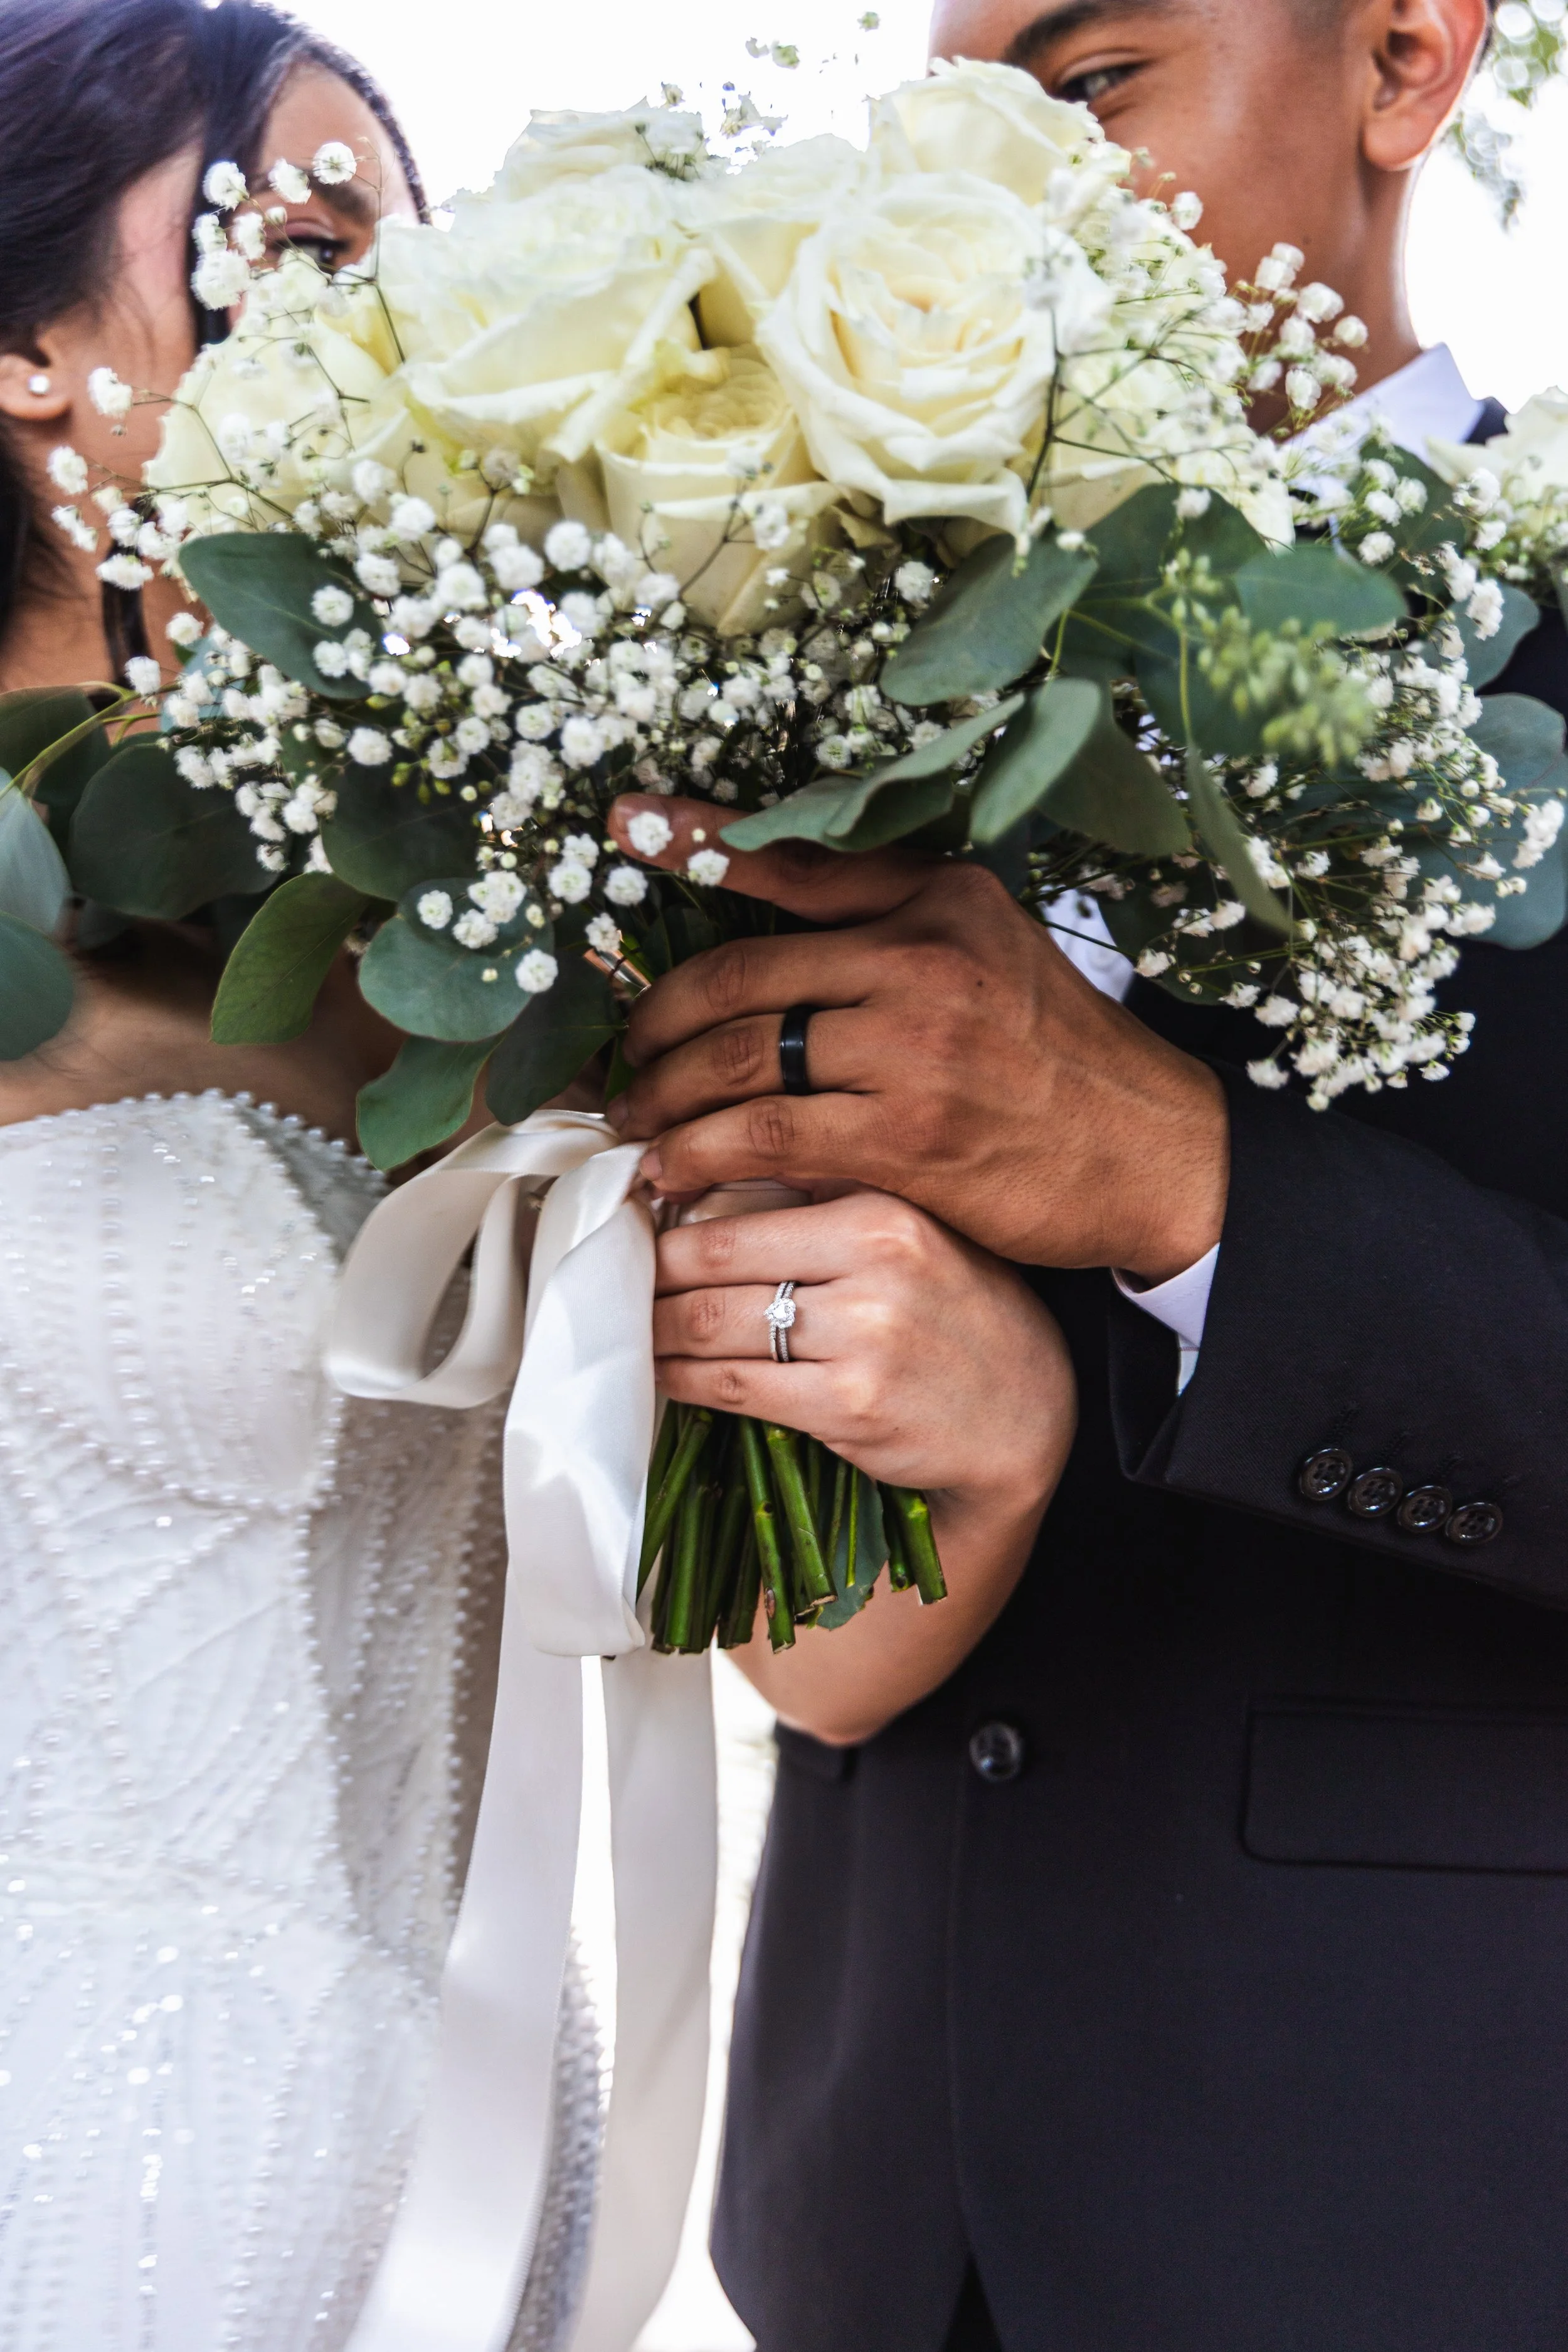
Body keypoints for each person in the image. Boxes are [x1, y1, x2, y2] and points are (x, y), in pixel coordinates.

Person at [612, 0, 1568, 2341]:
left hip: (1429, 2192)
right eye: (948, 121)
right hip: (861, 2202)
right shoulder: (816, 663)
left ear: (1405, 63)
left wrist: (1178, 1181)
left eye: (1087, 82)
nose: (1001, 185)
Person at [0, 7, 598, 2346]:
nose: (393, 338)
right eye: (315, 245)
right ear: (32, 344)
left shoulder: (497, 939)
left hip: (462, 2158)